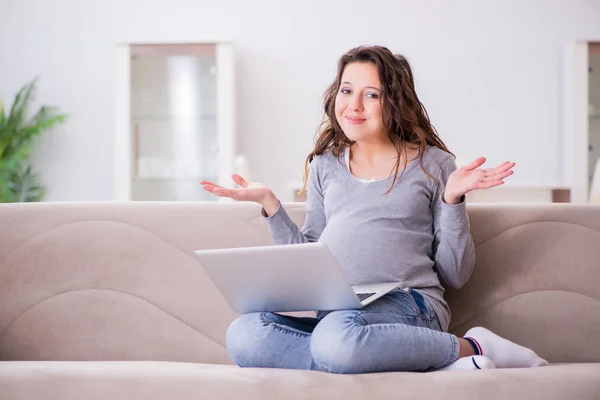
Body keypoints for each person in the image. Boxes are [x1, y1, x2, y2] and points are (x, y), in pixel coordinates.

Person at [201, 45, 548, 373]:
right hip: (340, 316)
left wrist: (453, 201)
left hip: (410, 304)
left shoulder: (435, 164)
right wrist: (271, 206)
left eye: (371, 95)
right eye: (346, 90)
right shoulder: (325, 165)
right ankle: (383, 357)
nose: (353, 105)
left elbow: (454, 274)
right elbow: (307, 260)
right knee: (245, 334)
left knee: (335, 338)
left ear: (394, 102)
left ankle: (471, 347)